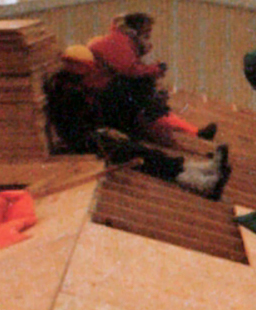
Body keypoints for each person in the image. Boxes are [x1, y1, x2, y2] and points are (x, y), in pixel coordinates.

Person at [44, 44, 230, 199]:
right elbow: (78, 126)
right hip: (85, 143)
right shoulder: (70, 92)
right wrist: (102, 132)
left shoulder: (69, 86)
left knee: (142, 151)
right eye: (87, 68)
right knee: (138, 154)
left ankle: (197, 171)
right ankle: (197, 180)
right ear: (76, 67)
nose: (91, 73)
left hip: (90, 137)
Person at [87, 12, 215, 146]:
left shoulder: (121, 40)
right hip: (101, 97)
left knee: (150, 99)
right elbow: (130, 70)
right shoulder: (119, 41)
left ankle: (193, 131)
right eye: (146, 31)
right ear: (137, 29)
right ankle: (188, 131)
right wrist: (154, 70)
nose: (149, 35)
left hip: (104, 93)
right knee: (147, 94)